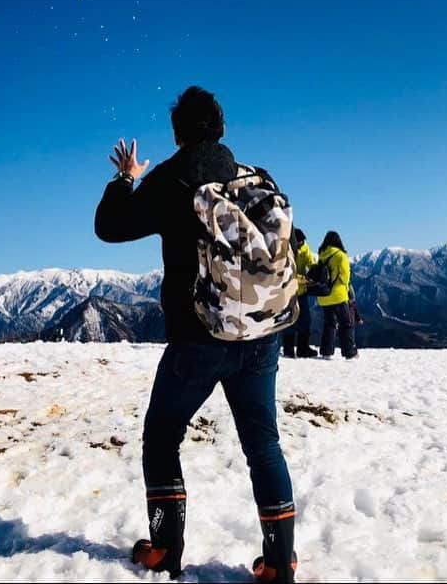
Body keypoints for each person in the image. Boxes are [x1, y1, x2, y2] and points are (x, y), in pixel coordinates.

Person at [94, 86, 297, 583]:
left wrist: (125, 179)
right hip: (260, 335)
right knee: (262, 443)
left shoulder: (172, 178)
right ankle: (279, 562)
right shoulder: (256, 178)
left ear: (178, 132)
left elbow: (110, 226)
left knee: (162, 437)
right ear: (222, 127)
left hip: (198, 339)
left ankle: (165, 549)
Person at [315, 231, 358, 359]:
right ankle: (349, 352)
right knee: (346, 323)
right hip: (338, 296)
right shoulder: (341, 256)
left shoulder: (322, 255)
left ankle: (326, 352)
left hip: (324, 296)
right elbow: (345, 277)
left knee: (329, 323)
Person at [281, 228, 317, 358]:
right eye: (299, 242)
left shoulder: (305, 249)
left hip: (301, 292)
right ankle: (288, 349)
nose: (302, 244)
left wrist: (316, 270)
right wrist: (305, 279)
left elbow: (311, 262)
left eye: (303, 242)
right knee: (290, 320)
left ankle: (303, 348)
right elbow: (287, 274)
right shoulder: (286, 252)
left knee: (305, 321)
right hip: (289, 291)